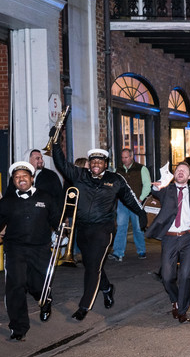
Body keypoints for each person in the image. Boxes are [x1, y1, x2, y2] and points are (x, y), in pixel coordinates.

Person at [51, 137, 148, 321]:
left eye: (100, 161)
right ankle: (107, 288)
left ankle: (84, 307)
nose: (96, 164)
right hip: (82, 229)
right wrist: (56, 143)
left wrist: (141, 213)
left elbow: (129, 197)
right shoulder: (79, 175)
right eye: (93, 161)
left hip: (103, 229)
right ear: (89, 164)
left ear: (106, 164)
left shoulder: (115, 179)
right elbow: (61, 163)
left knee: (93, 266)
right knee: (91, 264)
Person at [0, 162, 61, 340]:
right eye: (17, 177)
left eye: (24, 176)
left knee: (38, 285)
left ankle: (45, 300)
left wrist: (61, 233)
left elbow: (56, 219)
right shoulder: (6, 202)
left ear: (32, 178)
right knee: (16, 287)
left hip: (40, 249)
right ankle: (18, 328)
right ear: (13, 181)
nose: (21, 179)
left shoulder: (46, 197)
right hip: (15, 249)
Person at [146, 162, 190, 323]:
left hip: (188, 238)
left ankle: (182, 310)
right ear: (174, 175)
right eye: (178, 170)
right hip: (170, 237)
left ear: (189, 177)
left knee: (186, 275)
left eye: (184, 171)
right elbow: (155, 191)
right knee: (167, 277)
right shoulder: (167, 190)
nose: (180, 172)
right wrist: (158, 185)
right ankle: (175, 299)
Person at [109, 148, 151, 261]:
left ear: (132, 157)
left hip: (136, 202)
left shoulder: (141, 169)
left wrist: (141, 198)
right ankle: (118, 252)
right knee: (121, 227)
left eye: (126, 157)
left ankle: (141, 250)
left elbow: (147, 185)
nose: (124, 160)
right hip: (122, 203)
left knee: (138, 227)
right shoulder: (118, 170)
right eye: (122, 157)